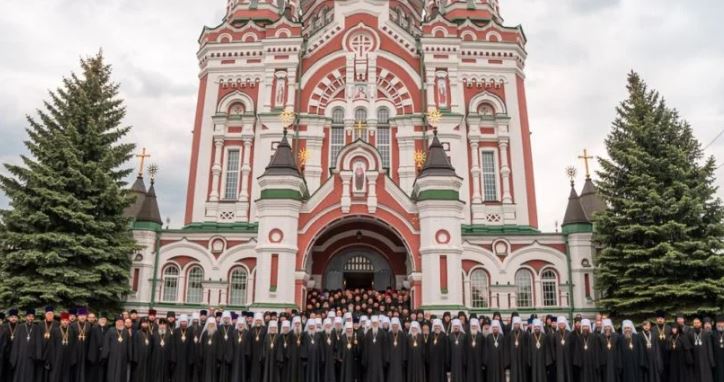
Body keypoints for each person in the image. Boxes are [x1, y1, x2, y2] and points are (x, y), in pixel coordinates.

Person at [10, 308, 40, 382]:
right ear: (26, 317)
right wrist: (14, 359)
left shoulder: (36, 328)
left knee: (30, 376)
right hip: (20, 357)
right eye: (29, 316)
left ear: (34, 318)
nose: (30, 318)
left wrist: (37, 356)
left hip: (31, 358)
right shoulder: (20, 327)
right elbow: (16, 343)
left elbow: (39, 344)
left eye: (32, 316)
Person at [46, 312, 76, 382]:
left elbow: (74, 346)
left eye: (66, 320)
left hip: (68, 358)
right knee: (56, 375)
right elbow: (52, 346)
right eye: (63, 320)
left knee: (67, 376)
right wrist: (52, 359)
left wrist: (73, 358)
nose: (65, 322)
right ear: (60, 321)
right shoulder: (55, 331)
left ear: (68, 321)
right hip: (57, 358)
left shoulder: (72, 331)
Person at [102, 316, 132, 382]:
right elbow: (106, 343)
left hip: (123, 358)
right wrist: (105, 356)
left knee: (122, 374)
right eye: (118, 322)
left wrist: (130, 356)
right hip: (112, 357)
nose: (120, 323)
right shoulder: (110, 330)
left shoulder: (126, 332)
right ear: (115, 323)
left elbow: (129, 345)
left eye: (121, 322)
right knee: (111, 373)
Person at [689, 317, 715, 382]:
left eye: (698, 323)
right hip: (695, 360)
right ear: (693, 324)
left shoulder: (705, 333)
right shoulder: (690, 333)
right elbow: (690, 348)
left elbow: (709, 348)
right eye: (695, 323)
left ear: (700, 323)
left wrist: (711, 361)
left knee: (706, 377)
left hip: (705, 360)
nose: (696, 324)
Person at [550, 316, 575, 382]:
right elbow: (553, 347)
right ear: (558, 324)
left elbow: (573, 348)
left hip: (568, 359)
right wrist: (554, 358)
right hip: (558, 360)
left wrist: (572, 358)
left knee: (568, 375)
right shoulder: (555, 335)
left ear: (565, 324)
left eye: (562, 324)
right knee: (560, 376)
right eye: (560, 324)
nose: (561, 325)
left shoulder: (569, 334)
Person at [361, 316, 385, 382]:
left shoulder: (382, 333)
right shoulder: (368, 333)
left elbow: (384, 347)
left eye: (376, 323)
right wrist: (365, 359)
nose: (375, 324)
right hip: (370, 359)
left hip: (379, 359)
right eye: (373, 323)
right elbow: (365, 347)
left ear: (378, 323)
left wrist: (384, 359)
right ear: (371, 323)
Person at [173, 314, 195, 382]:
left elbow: (192, 346)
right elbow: (173, 346)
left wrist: (191, 359)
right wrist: (173, 358)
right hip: (177, 359)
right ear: (179, 322)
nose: (183, 323)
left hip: (186, 359)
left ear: (187, 322)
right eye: (182, 322)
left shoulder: (190, 332)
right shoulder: (175, 331)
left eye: (185, 322)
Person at [72, 307, 91, 382]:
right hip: (75, 351)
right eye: (80, 315)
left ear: (86, 316)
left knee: (84, 369)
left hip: (85, 351)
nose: (82, 317)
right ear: (77, 316)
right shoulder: (73, 325)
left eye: (84, 315)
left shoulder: (89, 325)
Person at [506, 316, 528, 382]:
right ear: (513, 325)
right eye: (515, 324)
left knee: (522, 375)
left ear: (519, 325)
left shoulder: (524, 334)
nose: (516, 326)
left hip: (522, 358)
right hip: (513, 359)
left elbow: (526, 347)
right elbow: (507, 347)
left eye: (517, 324)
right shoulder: (510, 334)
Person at [131, 317, 152, 382]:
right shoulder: (137, 333)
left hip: (147, 358)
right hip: (139, 358)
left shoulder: (150, 334)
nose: (145, 325)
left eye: (146, 323)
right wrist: (135, 359)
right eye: (143, 323)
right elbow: (134, 346)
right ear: (140, 324)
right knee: (138, 374)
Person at [386, 317, 406, 382]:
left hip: (399, 359)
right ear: (391, 326)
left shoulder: (402, 334)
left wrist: (404, 358)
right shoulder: (388, 334)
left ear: (398, 326)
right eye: (393, 325)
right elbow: (387, 347)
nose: (395, 326)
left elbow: (404, 347)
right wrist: (387, 359)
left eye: (396, 325)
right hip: (391, 359)